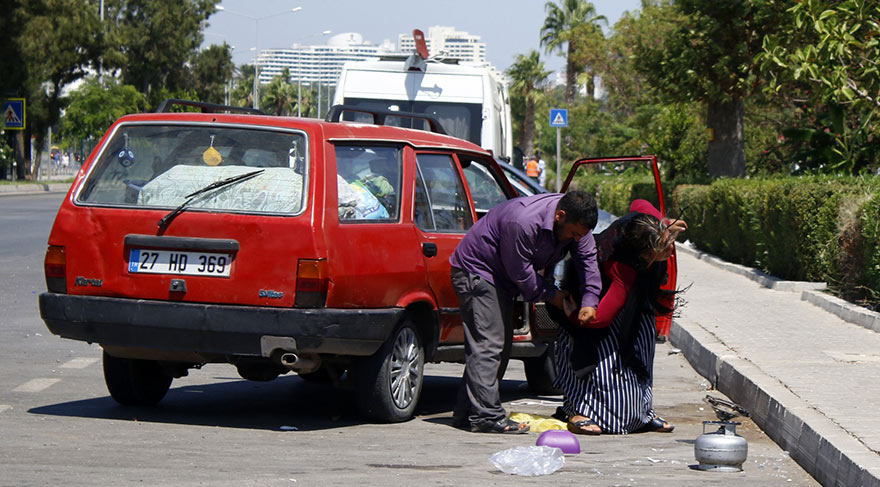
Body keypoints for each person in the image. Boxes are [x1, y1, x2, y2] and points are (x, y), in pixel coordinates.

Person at [449, 190, 602, 434]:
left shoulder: (577, 223)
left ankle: (468, 412)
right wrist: (552, 295)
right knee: (489, 345)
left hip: (502, 278)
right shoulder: (522, 221)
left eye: (580, 235)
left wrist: (590, 300)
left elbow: (588, 260)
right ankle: (486, 417)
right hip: (478, 271)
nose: (576, 239)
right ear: (560, 216)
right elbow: (520, 272)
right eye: (573, 234)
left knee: (499, 346)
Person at [550, 199, 687, 435]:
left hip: (633, 305)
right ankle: (578, 410)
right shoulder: (622, 268)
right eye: (663, 248)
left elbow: (639, 202)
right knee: (595, 359)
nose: (669, 250)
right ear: (642, 254)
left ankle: (642, 412)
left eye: (668, 242)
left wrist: (664, 224)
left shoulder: (647, 225)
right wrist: (572, 313)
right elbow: (598, 319)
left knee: (640, 352)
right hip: (590, 300)